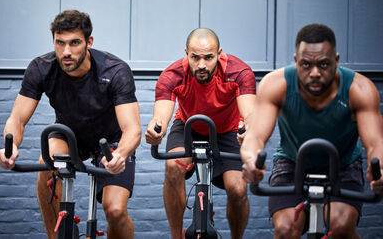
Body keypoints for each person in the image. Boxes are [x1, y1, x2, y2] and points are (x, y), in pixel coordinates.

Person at [0, 10, 141, 239]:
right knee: (46, 165)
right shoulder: (41, 68)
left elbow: (132, 129)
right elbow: (17, 119)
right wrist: (9, 147)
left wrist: (121, 153)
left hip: (111, 142)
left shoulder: (115, 71)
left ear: (88, 42)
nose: (66, 52)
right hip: (69, 135)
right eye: (59, 43)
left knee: (115, 210)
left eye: (74, 43)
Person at [241, 23, 383, 239]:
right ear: (296, 62)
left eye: (324, 64)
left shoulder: (359, 89)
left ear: (336, 61)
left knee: (341, 226)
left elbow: (375, 143)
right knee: (286, 229)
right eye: (306, 64)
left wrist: (380, 167)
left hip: (343, 166)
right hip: (291, 163)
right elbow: (255, 136)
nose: (315, 73)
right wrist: (251, 161)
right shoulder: (276, 84)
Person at [145, 28, 256, 239]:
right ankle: (176, 237)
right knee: (172, 167)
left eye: (208, 57)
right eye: (195, 57)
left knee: (238, 188)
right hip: (189, 125)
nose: (202, 65)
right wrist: (155, 130)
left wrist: (249, 129)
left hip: (228, 129)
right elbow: (160, 117)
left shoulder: (239, 72)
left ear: (219, 53)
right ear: (186, 53)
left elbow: (250, 114)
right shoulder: (173, 75)